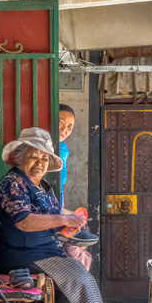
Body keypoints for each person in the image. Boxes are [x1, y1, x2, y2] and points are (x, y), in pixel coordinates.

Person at [0, 127, 113, 303]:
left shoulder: (43, 186)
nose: (39, 162)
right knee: (74, 278)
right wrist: (65, 219)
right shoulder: (13, 183)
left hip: (45, 252)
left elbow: (54, 218)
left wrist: (74, 227)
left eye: (44, 157)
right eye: (33, 155)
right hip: (21, 255)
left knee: (82, 275)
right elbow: (25, 222)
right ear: (18, 156)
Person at [56, 104, 98, 255]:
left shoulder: (63, 148)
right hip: (48, 193)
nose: (64, 129)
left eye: (70, 126)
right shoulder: (46, 146)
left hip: (59, 193)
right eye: (61, 122)